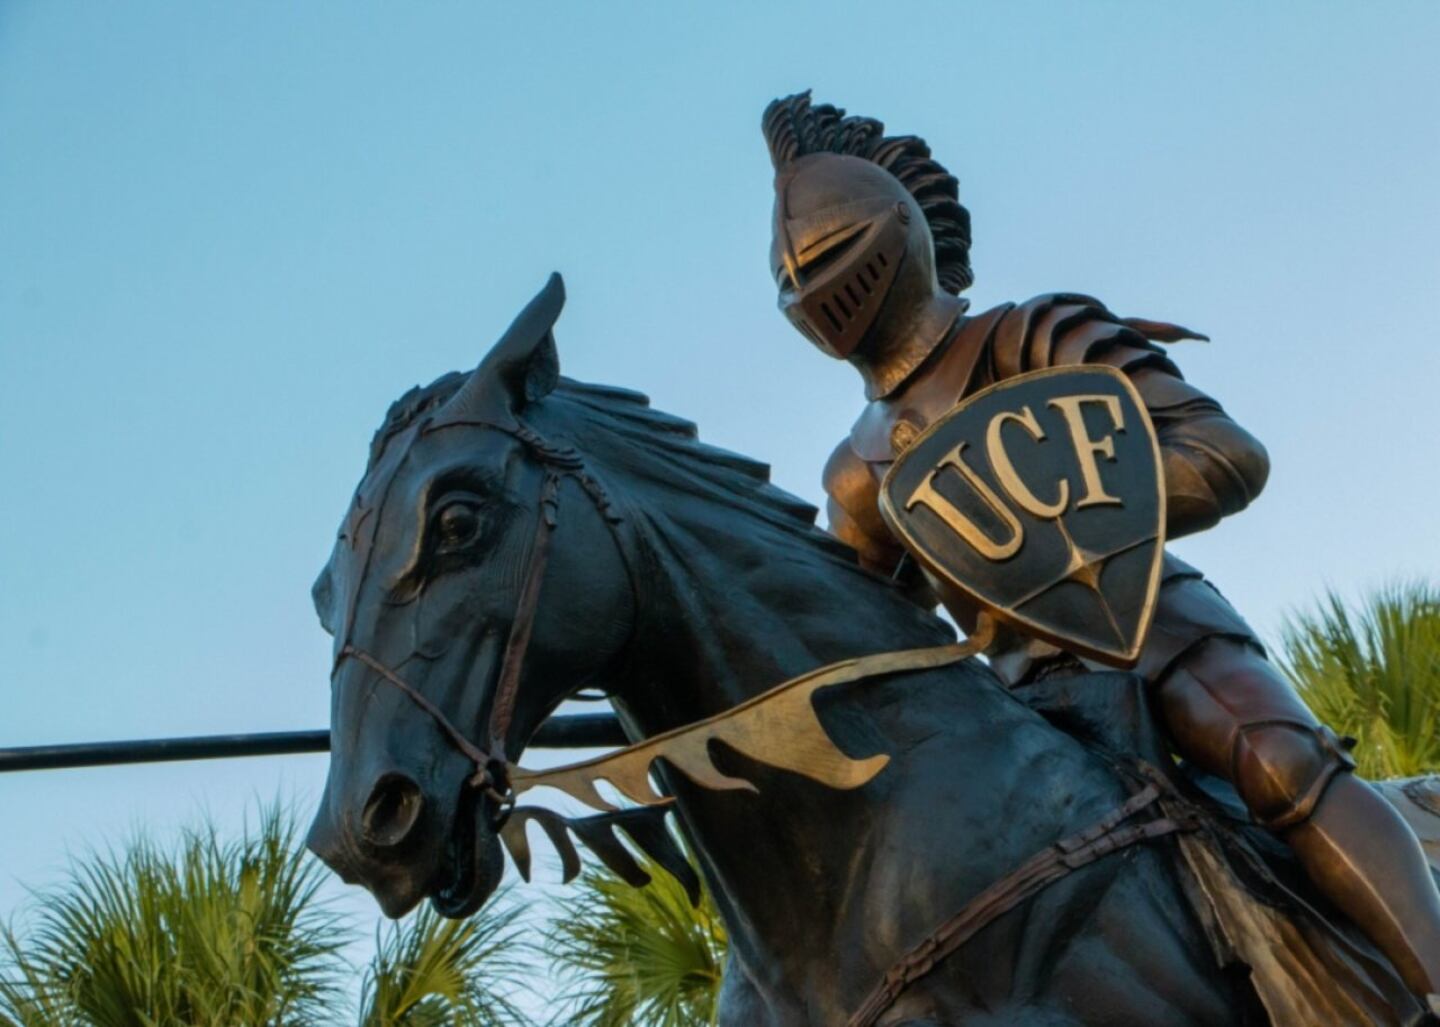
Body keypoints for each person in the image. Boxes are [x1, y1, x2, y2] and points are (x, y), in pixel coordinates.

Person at [762, 90, 1440, 1004]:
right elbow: (870, 640)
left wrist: (1068, 542)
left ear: (901, 226)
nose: (819, 289)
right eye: (797, 275)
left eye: (835, 253)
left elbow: (1223, 454)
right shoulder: (856, 474)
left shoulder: (1035, 336)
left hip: (1154, 627)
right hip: (1017, 704)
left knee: (1284, 766)